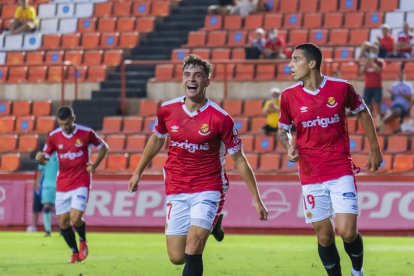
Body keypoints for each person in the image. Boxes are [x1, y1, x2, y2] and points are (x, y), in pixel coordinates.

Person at [128, 54, 268, 276]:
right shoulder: (167, 110)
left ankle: (209, 221)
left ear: (207, 81)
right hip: (176, 185)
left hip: (209, 186)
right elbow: (156, 139)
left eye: (197, 75)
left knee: (193, 247)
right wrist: (137, 172)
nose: (191, 79)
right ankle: (214, 224)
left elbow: (239, 158)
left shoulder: (221, 119)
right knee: (177, 257)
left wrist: (257, 199)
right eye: (187, 75)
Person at [278, 43, 383, 276]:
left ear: (312, 63)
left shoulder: (341, 88)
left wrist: (374, 149)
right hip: (310, 173)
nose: (290, 64)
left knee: (346, 232)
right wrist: (288, 145)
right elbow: (283, 129)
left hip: (340, 169)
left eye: (296, 59)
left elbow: (363, 112)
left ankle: (357, 270)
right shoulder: (288, 96)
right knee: (324, 235)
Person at [35, 106, 108, 263]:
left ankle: (82, 240)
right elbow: (45, 158)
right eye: (61, 124)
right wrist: (40, 158)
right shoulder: (53, 137)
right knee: (63, 223)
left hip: (81, 180)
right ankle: (75, 253)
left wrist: (94, 166)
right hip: (63, 183)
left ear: (73, 119)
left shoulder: (86, 133)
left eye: (67, 123)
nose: (64, 127)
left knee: (75, 219)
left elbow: (104, 147)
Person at [359, 43, 384, 127]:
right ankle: (368, 124)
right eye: (372, 50)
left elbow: (379, 71)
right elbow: (361, 73)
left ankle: (379, 123)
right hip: (368, 87)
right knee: (367, 105)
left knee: (377, 105)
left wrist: (372, 63)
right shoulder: (366, 62)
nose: (373, 52)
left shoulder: (380, 61)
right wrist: (367, 63)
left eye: (375, 51)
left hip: (377, 87)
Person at [36, 151, 59, 237]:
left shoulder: (61, 154)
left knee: (61, 208)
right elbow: (40, 170)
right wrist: (37, 183)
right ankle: (48, 230)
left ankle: (63, 229)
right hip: (47, 186)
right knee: (46, 207)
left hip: (60, 185)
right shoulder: (45, 156)